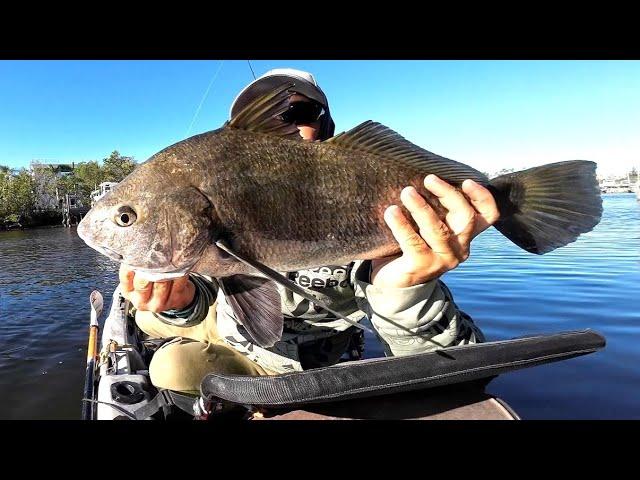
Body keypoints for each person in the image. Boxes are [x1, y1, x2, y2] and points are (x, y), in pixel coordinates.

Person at [118, 68, 500, 394]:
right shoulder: (207, 211)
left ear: (327, 125)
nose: (283, 124)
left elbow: (463, 375)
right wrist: (181, 302)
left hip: (323, 369)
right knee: (158, 339)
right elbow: (208, 291)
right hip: (241, 348)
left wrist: (404, 291)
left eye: (300, 111)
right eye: (263, 117)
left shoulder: (380, 207)